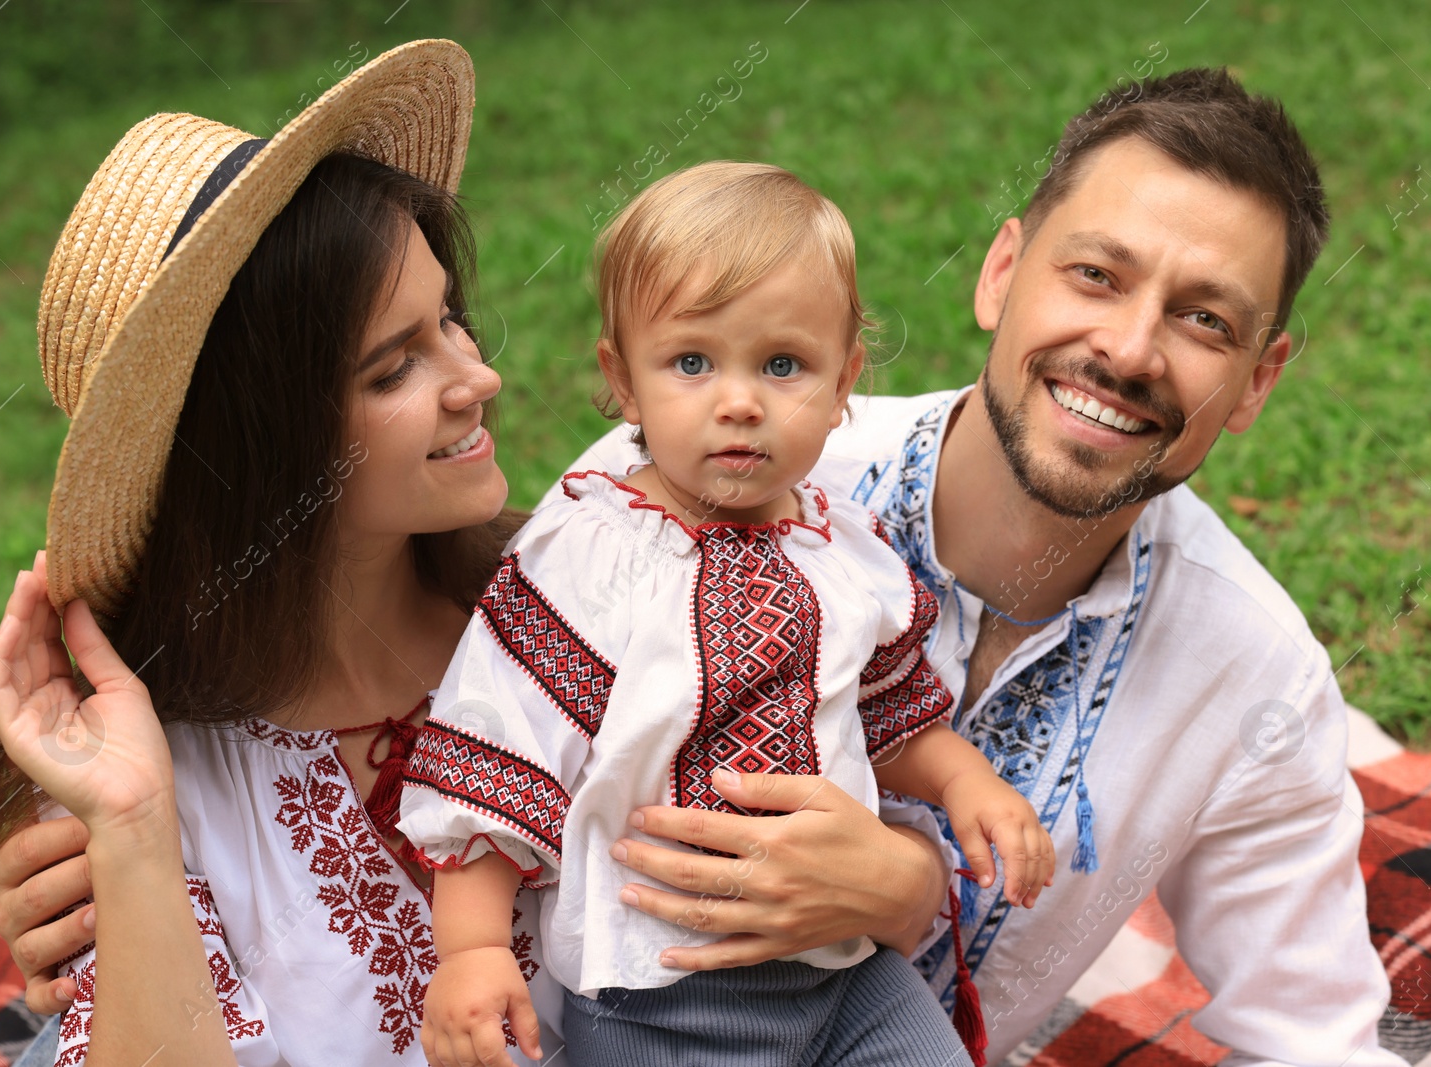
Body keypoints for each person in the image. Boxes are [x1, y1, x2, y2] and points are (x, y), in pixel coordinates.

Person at [0, 40, 966, 1067]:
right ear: (264, 444)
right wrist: (130, 830)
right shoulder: (153, 776)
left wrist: (901, 882)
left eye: (448, 319)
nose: (476, 375)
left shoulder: (589, 595)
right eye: (395, 366)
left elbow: (850, 750)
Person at [570, 69, 1407, 1064]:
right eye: (1096, 274)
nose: (1129, 347)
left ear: (1253, 382)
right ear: (1001, 272)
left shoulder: (1255, 679)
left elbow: (1314, 1040)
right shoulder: (669, 488)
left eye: (1204, 321)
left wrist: (909, 892)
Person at [397, 162, 1053, 1067]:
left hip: (846, 972)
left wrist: (968, 783)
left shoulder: (846, 554)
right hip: (660, 993)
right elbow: (496, 753)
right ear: (624, 381)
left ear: (842, 382)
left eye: (783, 364)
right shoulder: (589, 557)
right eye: (692, 362)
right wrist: (469, 951)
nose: (739, 400)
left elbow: (889, 717)